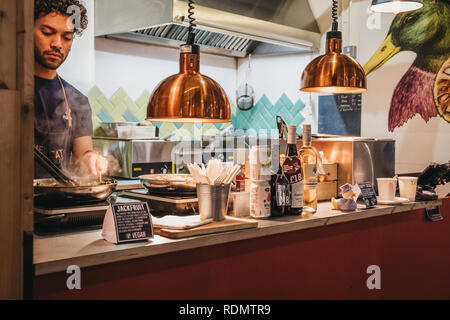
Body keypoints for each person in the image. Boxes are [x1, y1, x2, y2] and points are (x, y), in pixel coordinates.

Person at [34, 0, 107, 178]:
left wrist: (91, 159)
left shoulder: (77, 100)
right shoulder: (9, 91)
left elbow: (83, 155)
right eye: (47, 32)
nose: (57, 44)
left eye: (67, 37)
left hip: (58, 200)